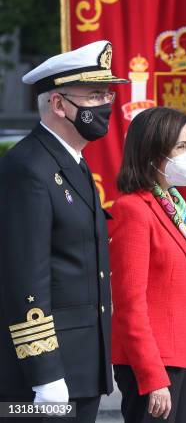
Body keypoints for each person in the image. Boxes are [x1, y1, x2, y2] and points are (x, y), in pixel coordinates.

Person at [0, 40, 128, 422]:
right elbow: (25, 277)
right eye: (93, 95)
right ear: (58, 105)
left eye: (106, 93)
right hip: (42, 377)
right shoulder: (29, 167)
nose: (105, 105)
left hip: (81, 366)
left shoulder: (69, 161)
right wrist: (45, 375)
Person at [109, 107, 186, 423]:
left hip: (184, 358)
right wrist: (152, 377)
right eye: (181, 147)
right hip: (154, 364)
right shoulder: (134, 210)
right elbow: (129, 305)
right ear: (152, 152)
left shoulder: (175, 207)